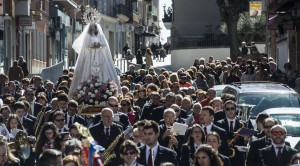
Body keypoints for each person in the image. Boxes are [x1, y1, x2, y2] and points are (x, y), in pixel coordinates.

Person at [69, 22, 120, 98]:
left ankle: (102, 83)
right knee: (87, 70)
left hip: (99, 55)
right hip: (90, 55)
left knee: (102, 70)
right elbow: (85, 45)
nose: (93, 28)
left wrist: (99, 44)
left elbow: (104, 44)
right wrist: (92, 45)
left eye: (94, 27)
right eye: (92, 27)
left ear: (96, 28)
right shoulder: (88, 35)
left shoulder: (100, 35)